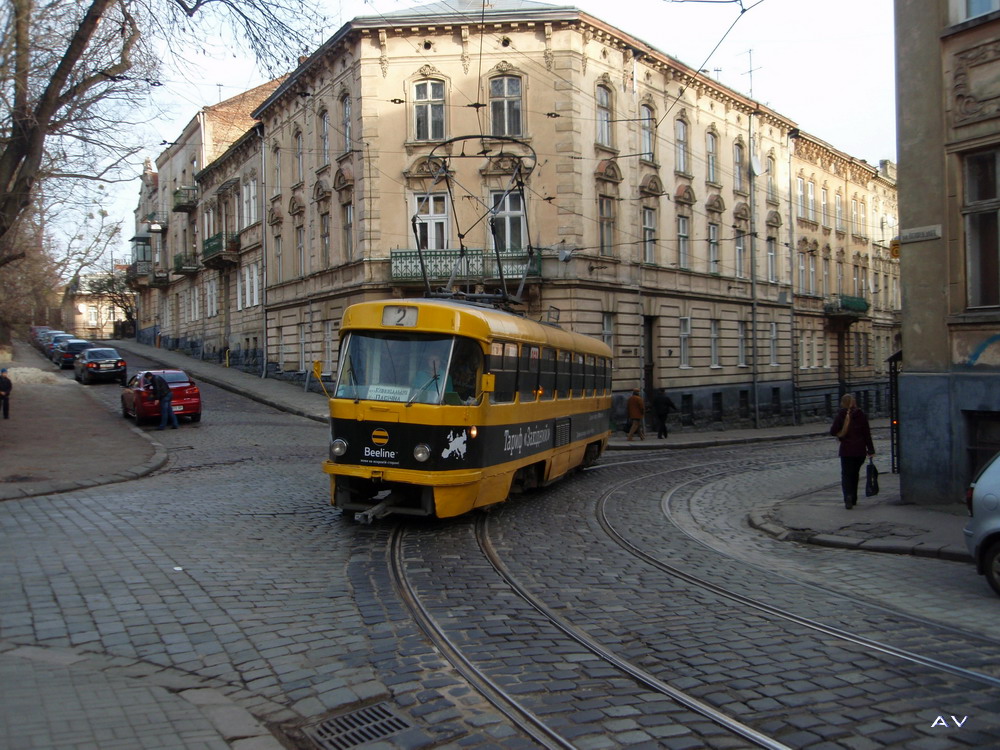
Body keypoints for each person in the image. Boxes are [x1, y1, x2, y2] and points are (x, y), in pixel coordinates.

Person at [829, 393, 874, 509]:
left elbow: (833, 431)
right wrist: (871, 449)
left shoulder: (841, 415)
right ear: (854, 402)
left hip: (846, 451)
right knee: (855, 474)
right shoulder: (861, 415)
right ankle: (853, 497)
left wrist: (841, 434)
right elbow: (866, 434)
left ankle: (847, 497)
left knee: (846, 475)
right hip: (859, 451)